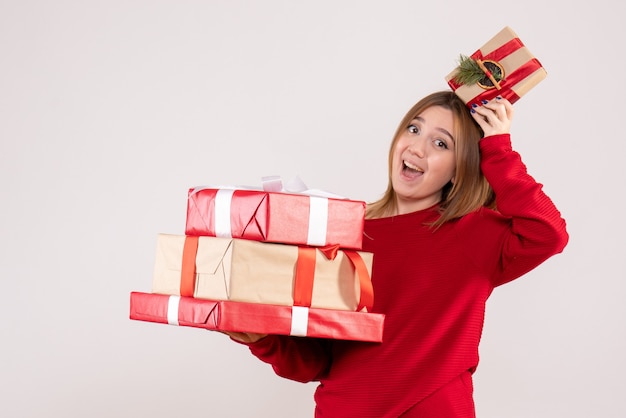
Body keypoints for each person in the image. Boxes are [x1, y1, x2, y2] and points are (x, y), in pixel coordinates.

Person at [225, 91, 569, 417]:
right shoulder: (340, 230)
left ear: (459, 166)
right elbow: (319, 361)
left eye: (440, 143)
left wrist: (499, 151)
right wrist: (263, 338)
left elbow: (547, 234)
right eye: (414, 128)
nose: (417, 148)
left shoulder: (472, 232)